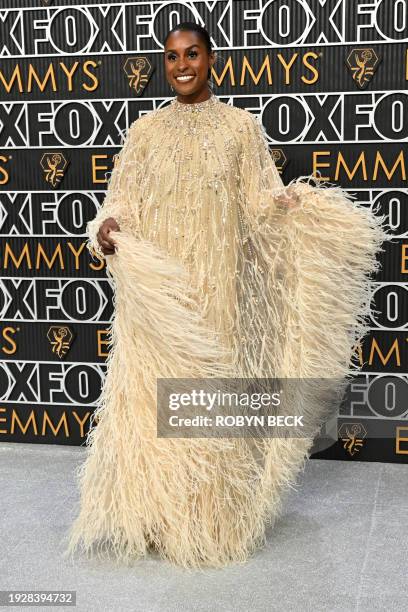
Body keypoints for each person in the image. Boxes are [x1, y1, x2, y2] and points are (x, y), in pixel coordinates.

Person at [64, 22, 390, 569]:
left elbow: (260, 202)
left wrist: (292, 207)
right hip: (163, 300)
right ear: (164, 66)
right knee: (154, 403)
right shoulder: (144, 133)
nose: (182, 65)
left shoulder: (241, 130)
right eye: (171, 57)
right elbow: (122, 199)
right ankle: (160, 514)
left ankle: (207, 520)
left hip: (219, 294)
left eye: (192, 54)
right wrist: (109, 223)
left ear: (211, 59)